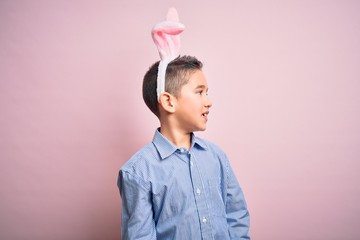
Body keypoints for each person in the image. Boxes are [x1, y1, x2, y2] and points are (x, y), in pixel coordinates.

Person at [117, 8, 250, 240]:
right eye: (199, 92)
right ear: (168, 101)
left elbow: (236, 215)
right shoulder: (137, 172)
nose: (208, 102)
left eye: (207, 92)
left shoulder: (216, 157)